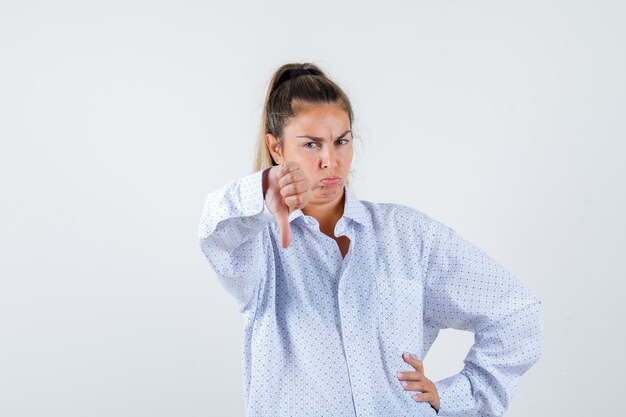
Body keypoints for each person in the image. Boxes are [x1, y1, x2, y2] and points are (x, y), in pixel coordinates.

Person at [197, 63, 543, 417]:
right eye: (311, 144)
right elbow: (215, 235)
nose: (330, 161)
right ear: (277, 148)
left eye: (341, 141)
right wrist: (263, 188)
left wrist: (454, 396)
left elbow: (517, 313)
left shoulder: (408, 235)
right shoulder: (259, 246)